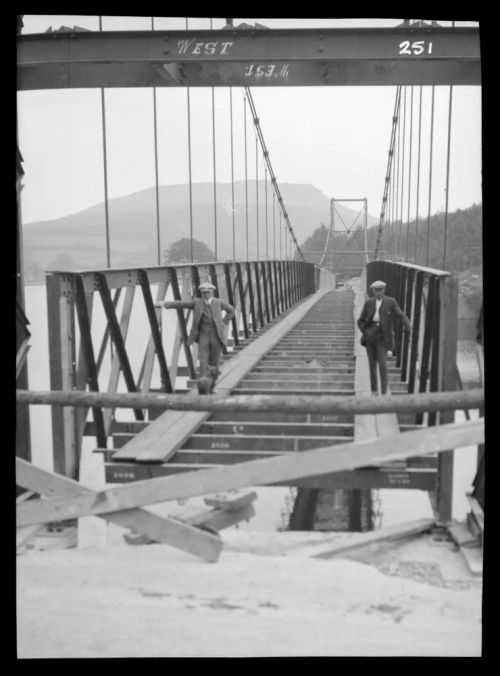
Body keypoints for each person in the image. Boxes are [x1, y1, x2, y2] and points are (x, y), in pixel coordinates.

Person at [155, 282, 235, 387]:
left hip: (216, 334)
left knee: (214, 361)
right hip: (203, 334)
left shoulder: (218, 302)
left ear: (212, 292)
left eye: (208, 292)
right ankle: (203, 386)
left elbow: (231, 310)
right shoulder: (197, 302)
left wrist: (224, 322)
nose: (206, 295)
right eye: (204, 293)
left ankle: (212, 385)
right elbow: (181, 304)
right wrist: (165, 304)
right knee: (203, 360)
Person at [357, 280, 412, 395]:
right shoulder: (368, 303)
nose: (378, 293)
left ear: (384, 290)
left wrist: (409, 326)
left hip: (383, 336)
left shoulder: (390, 302)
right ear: (372, 291)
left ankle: (384, 391)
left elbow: (400, 314)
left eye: (380, 290)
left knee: (382, 363)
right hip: (370, 335)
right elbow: (360, 320)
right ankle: (374, 390)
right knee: (372, 364)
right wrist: (365, 331)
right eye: (376, 290)